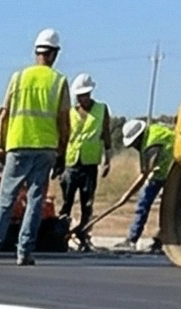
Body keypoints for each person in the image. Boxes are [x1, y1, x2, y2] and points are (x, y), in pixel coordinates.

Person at [0, 27, 72, 266]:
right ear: (54, 54)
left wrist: (0, 145)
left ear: (36, 52)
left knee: (6, 198)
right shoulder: (59, 81)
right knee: (35, 200)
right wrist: (63, 150)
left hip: (18, 144)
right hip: (45, 147)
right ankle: (24, 252)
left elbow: (4, 114)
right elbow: (64, 121)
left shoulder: (18, 77)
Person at [59, 74, 112, 251]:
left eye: (85, 95)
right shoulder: (70, 112)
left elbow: (106, 134)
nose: (82, 98)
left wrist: (107, 159)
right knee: (66, 202)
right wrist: (59, 161)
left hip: (90, 164)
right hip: (71, 163)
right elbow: (64, 136)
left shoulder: (101, 109)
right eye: (79, 96)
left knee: (87, 203)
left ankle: (84, 236)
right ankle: (62, 236)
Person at [122, 116, 178, 250]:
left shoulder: (151, 144)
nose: (134, 147)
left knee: (145, 204)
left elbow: (145, 174)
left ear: (138, 138)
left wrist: (126, 196)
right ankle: (157, 239)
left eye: (134, 144)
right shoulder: (154, 130)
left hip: (170, 173)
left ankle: (136, 239)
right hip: (167, 171)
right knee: (167, 208)